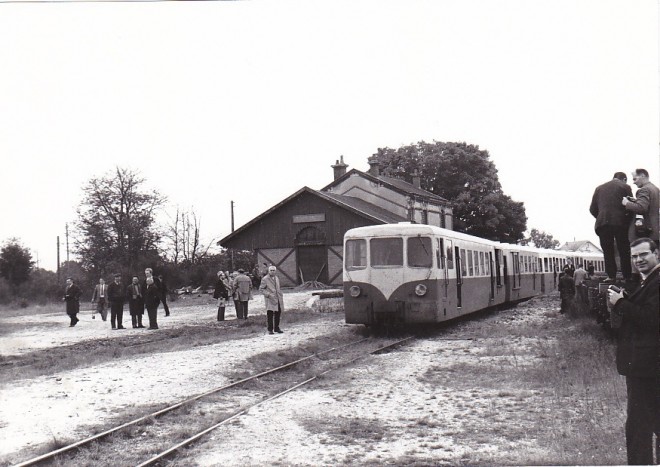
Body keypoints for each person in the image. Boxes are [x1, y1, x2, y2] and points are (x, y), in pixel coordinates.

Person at [607, 238, 660, 465]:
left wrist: (621, 304)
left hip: (648, 368)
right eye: (634, 256)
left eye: (643, 254)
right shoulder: (647, 281)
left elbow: (652, 319)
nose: (638, 260)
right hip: (645, 366)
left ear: (657, 253)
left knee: (639, 427)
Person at [590, 172, 634, 282]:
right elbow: (630, 206)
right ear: (624, 179)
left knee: (607, 250)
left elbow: (592, 209)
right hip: (620, 223)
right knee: (624, 249)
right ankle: (627, 277)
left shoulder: (599, 188)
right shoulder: (625, 186)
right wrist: (627, 220)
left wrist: (602, 217)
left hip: (603, 224)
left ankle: (611, 276)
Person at [622, 168, 660, 245]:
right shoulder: (655, 189)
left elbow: (641, 208)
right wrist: (636, 201)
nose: (633, 182)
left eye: (635, 179)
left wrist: (627, 203)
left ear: (642, 176)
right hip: (654, 231)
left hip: (644, 233)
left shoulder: (644, 189)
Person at [259, 266, 285, 334]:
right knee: (270, 314)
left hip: (278, 298)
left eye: (273, 270)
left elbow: (278, 287)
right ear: (268, 271)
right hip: (270, 299)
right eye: (271, 270)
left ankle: (277, 328)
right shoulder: (265, 279)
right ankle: (270, 329)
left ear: (275, 271)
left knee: (278, 313)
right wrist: (268, 294)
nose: (272, 272)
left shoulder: (276, 278)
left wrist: (280, 294)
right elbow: (261, 289)